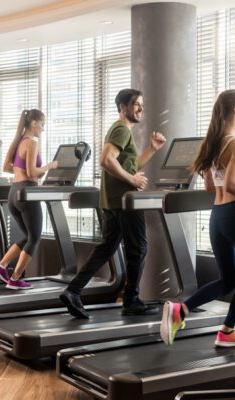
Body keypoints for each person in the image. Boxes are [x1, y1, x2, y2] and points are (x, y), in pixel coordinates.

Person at [160, 89, 235, 347]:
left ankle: (180, 311)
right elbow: (230, 184)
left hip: (217, 216)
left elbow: (210, 186)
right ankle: (228, 330)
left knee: (228, 280)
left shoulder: (213, 144)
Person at [59, 88, 167, 318]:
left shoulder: (120, 130)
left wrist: (151, 150)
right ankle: (131, 300)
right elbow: (106, 160)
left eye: (141, 104)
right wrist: (131, 180)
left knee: (107, 247)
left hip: (113, 201)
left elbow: (128, 165)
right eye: (136, 104)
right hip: (125, 202)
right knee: (139, 249)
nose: (140, 108)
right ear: (123, 107)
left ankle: (73, 291)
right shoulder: (121, 129)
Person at [0, 109, 58, 289]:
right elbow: (31, 172)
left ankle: (1, 265)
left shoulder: (18, 141)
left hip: (13, 193)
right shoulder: (32, 142)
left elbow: (7, 167)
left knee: (28, 236)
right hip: (27, 194)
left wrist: (25, 173)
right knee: (35, 238)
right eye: (42, 124)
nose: (43, 129)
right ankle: (15, 278)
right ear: (34, 123)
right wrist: (49, 166)